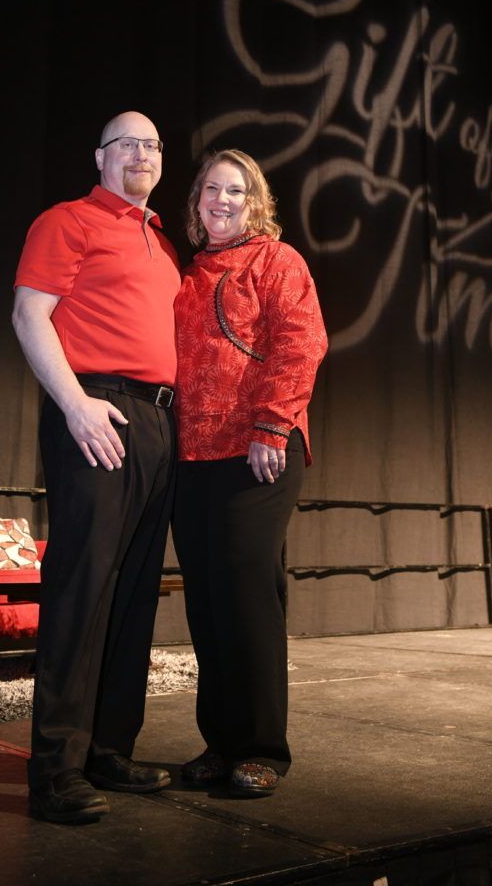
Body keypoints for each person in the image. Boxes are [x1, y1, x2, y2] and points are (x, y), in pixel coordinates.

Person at [12, 110, 180, 824]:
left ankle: (108, 750)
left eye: (153, 145)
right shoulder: (68, 220)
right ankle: (54, 771)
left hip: (158, 420)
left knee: (135, 592)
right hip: (96, 409)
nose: (142, 153)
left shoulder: (163, 240)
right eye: (128, 143)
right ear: (100, 156)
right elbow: (29, 314)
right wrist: (76, 404)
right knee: (82, 590)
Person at [172, 148, 328, 799]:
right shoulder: (185, 273)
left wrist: (271, 425)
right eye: (212, 189)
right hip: (192, 458)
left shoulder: (277, 261)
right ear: (197, 201)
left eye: (236, 190)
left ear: (255, 200)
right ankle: (223, 742)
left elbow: (301, 341)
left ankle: (264, 747)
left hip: (259, 452)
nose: (223, 199)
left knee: (246, 590)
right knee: (207, 599)